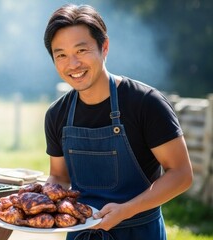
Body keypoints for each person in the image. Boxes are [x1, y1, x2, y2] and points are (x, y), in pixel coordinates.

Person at [43, 4, 193, 240]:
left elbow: (182, 174)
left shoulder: (145, 102)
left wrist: (126, 210)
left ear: (104, 47)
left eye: (81, 50)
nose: (72, 64)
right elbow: (60, 177)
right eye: (61, 54)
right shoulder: (57, 114)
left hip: (140, 232)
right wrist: (39, 200)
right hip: (82, 234)